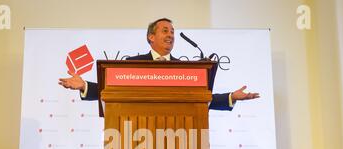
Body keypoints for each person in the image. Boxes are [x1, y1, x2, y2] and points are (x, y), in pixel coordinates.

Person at [59, 18, 260, 114]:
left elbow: (200, 98)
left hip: (177, 138)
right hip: (137, 136)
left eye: (172, 31)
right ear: (151, 37)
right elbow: (111, 92)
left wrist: (230, 97)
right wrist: (85, 85)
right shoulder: (132, 64)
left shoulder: (185, 70)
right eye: (165, 30)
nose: (171, 35)